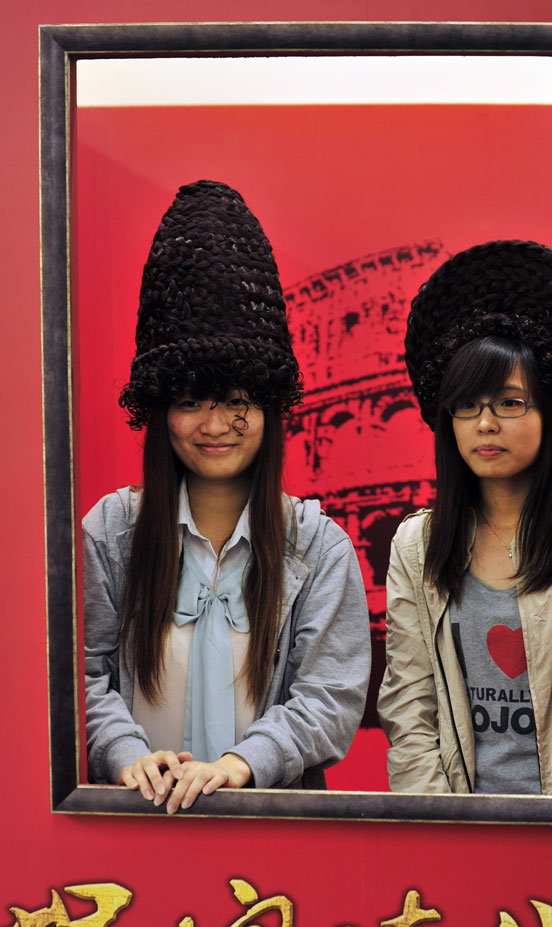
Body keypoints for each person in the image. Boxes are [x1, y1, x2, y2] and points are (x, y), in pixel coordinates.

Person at [83, 180, 370, 812]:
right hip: (131, 827)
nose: (215, 426)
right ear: (160, 413)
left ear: (270, 407)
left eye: (238, 402)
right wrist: (128, 754)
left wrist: (244, 765)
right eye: (190, 403)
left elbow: (332, 695)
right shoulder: (110, 531)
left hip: (273, 838)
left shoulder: (319, 547)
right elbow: (82, 675)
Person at [377, 240, 552, 796]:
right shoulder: (417, 546)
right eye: (467, 405)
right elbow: (408, 704)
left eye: (510, 402)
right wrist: (442, 825)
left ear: (551, 412)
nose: (484, 423)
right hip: (459, 835)